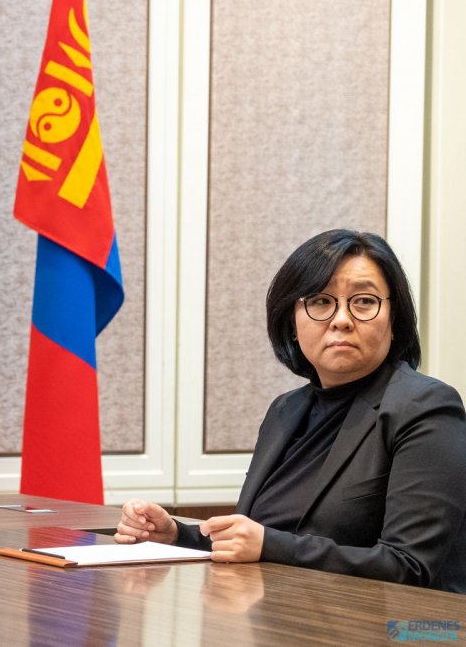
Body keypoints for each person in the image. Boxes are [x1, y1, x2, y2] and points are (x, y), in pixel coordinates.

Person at [115, 229, 466, 592]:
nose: (341, 319)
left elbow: (408, 567)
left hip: (396, 622)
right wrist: (176, 535)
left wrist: (269, 544)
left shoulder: (426, 407)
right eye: (320, 301)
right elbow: (256, 538)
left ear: (394, 321)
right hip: (281, 611)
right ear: (293, 324)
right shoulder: (286, 410)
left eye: (364, 301)